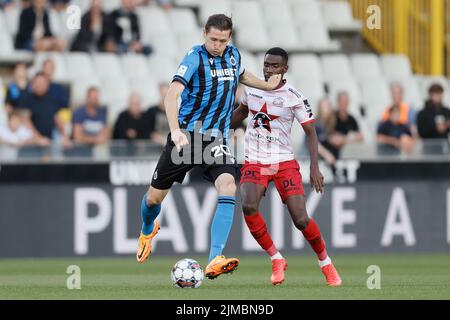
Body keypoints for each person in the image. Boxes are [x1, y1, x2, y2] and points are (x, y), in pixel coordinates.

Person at [136, 14, 281, 280]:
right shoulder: (194, 58)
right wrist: (175, 131)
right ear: (205, 34)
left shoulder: (234, 55)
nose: (217, 44)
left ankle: (215, 258)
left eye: (222, 40)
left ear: (229, 38)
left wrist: (267, 86)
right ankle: (147, 227)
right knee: (153, 199)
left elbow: (242, 75)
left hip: (217, 139)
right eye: (213, 39)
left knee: (228, 186)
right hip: (187, 137)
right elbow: (171, 97)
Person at [231, 47, 342, 287]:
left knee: (301, 219)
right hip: (255, 160)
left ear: (284, 69)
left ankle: (325, 262)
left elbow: (311, 133)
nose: (268, 69)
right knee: (249, 206)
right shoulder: (252, 89)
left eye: (274, 66)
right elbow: (239, 114)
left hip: (283, 162)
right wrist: (213, 125)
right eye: (266, 64)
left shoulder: (294, 96)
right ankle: (276, 258)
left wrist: (314, 167)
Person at [18, 72, 69, 145]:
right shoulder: (26, 99)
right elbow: (25, 120)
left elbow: (57, 118)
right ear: (33, 84)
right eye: (38, 82)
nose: (40, 85)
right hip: (30, 143)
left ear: (47, 84)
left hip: (48, 141)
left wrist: (65, 137)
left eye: (43, 82)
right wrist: (38, 138)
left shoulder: (53, 99)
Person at [328, 91, 363, 158]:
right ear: (338, 102)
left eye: (346, 101)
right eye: (342, 101)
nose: (344, 104)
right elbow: (333, 140)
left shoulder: (352, 119)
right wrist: (350, 138)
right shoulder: (332, 118)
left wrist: (343, 139)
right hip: (335, 155)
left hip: (351, 154)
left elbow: (360, 137)